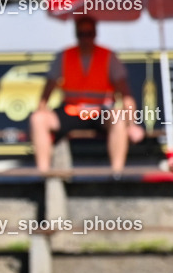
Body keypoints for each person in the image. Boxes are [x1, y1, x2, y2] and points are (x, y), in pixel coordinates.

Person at [29, 16, 145, 173]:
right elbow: (46, 94)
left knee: (118, 116)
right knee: (38, 119)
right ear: (76, 34)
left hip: (100, 111)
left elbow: (126, 96)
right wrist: (40, 111)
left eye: (89, 33)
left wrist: (132, 125)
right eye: (81, 34)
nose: (85, 38)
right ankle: (44, 175)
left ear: (95, 34)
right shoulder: (64, 56)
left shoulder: (108, 56)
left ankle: (116, 175)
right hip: (71, 111)